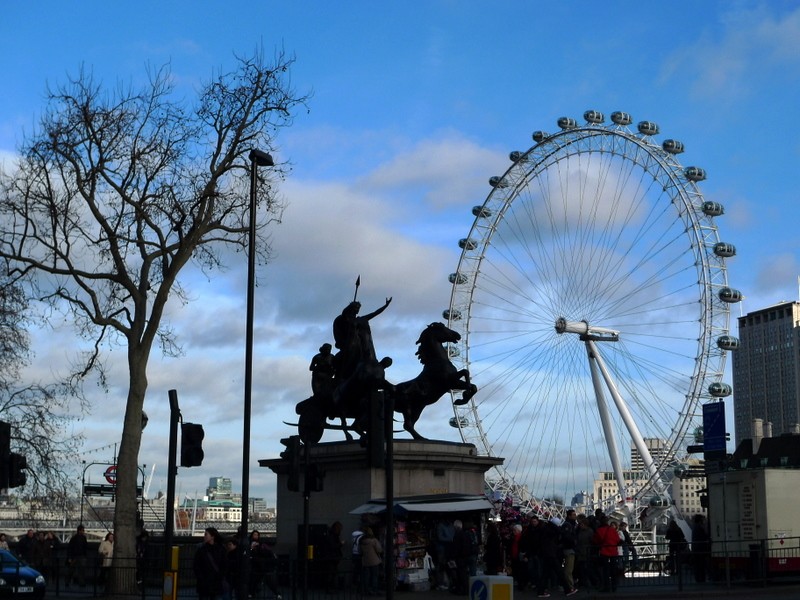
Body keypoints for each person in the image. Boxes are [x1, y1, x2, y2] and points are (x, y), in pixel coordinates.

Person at [194, 527, 226, 600]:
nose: (204, 536)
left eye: (206, 534)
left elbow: (196, 565)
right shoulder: (220, 549)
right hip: (213, 582)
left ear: (212, 536)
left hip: (208, 582)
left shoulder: (202, 549)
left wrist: (200, 578)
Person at [592, 516, 620, 593]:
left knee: (605, 571)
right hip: (613, 551)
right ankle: (614, 586)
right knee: (613, 570)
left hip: (604, 551)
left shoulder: (599, 530)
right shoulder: (612, 530)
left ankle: (606, 587)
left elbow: (596, 541)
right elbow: (617, 540)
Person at [321, 521, 344, 593]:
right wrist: (340, 544)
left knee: (332, 573)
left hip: (332, 557)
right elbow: (333, 546)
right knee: (331, 574)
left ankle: (330, 588)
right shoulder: (332, 536)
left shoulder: (332, 535)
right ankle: (329, 588)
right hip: (331, 557)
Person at [359, 527, 382, 596]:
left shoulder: (361, 541)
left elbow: (360, 551)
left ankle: (367, 590)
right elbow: (379, 550)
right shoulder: (373, 540)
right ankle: (374, 590)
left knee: (366, 577)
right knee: (374, 576)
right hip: (374, 561)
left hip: (365, 561)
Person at [434, 519, 455, 591]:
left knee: (448, 565)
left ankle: (447, 582)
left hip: (448, 548)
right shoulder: (441, 526)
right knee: (441, 565)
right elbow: (440, 537)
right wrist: (451, 539)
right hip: (442, 548)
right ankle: (441, 583)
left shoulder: (450, 526)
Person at [691, 514, 711, 583]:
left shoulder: (695, 527)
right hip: (700, 549)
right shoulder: (700, 527)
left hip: (696, 549)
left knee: (698, 565)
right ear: (700, 520)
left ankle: (699, 579)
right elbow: (705, 536)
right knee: (701, 565)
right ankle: (701, 579)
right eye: (703, 520)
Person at [350, 526, 365, 591]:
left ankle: (355, 584)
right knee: (360, 571)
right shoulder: (361, 537)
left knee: (356, 570)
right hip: (359, 555)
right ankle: (359, 586)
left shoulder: (354, 537)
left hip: (354, 554)